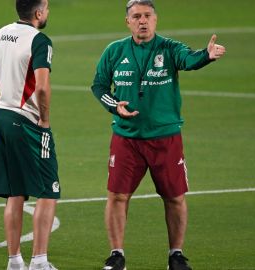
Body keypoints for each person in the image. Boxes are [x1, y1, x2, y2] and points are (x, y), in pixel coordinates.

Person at [91, 0, 226, 269]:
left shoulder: (170, 48)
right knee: (117, 196)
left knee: (174, 197)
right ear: (127, 21)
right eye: (137, 16)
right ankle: (117, 255)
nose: (143, 21)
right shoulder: (115, 51)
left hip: (166, 138)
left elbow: (189, 60)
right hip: (126, 138)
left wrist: (206, 56)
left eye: (148, 16)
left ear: (156, 19)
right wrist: (112, 105)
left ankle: (175, 255)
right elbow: (99, 85)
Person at [0, 0, 59, 269]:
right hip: (27, 123)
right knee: (48, 190)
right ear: (38, 12)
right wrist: (44, 119)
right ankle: (40, 262)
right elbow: (42, 87)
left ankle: (14, 261)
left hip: (1, 120)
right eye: (47, 7)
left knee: (15, 192)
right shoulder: (40, 40)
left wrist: (0, 100)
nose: (48, 12)